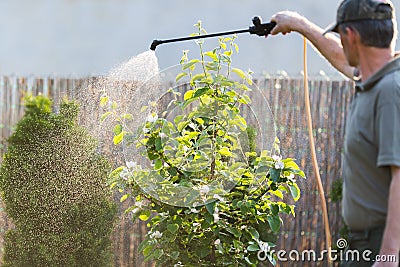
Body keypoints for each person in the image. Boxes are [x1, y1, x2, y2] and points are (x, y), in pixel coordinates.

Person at [269, 0, 400, 266]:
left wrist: (389, 255)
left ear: (351, 36)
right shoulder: (373, 80)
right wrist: (299, 25)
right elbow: (345, 61)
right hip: (363, 245)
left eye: (341, 36)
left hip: (381, 246)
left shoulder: (390, 91)